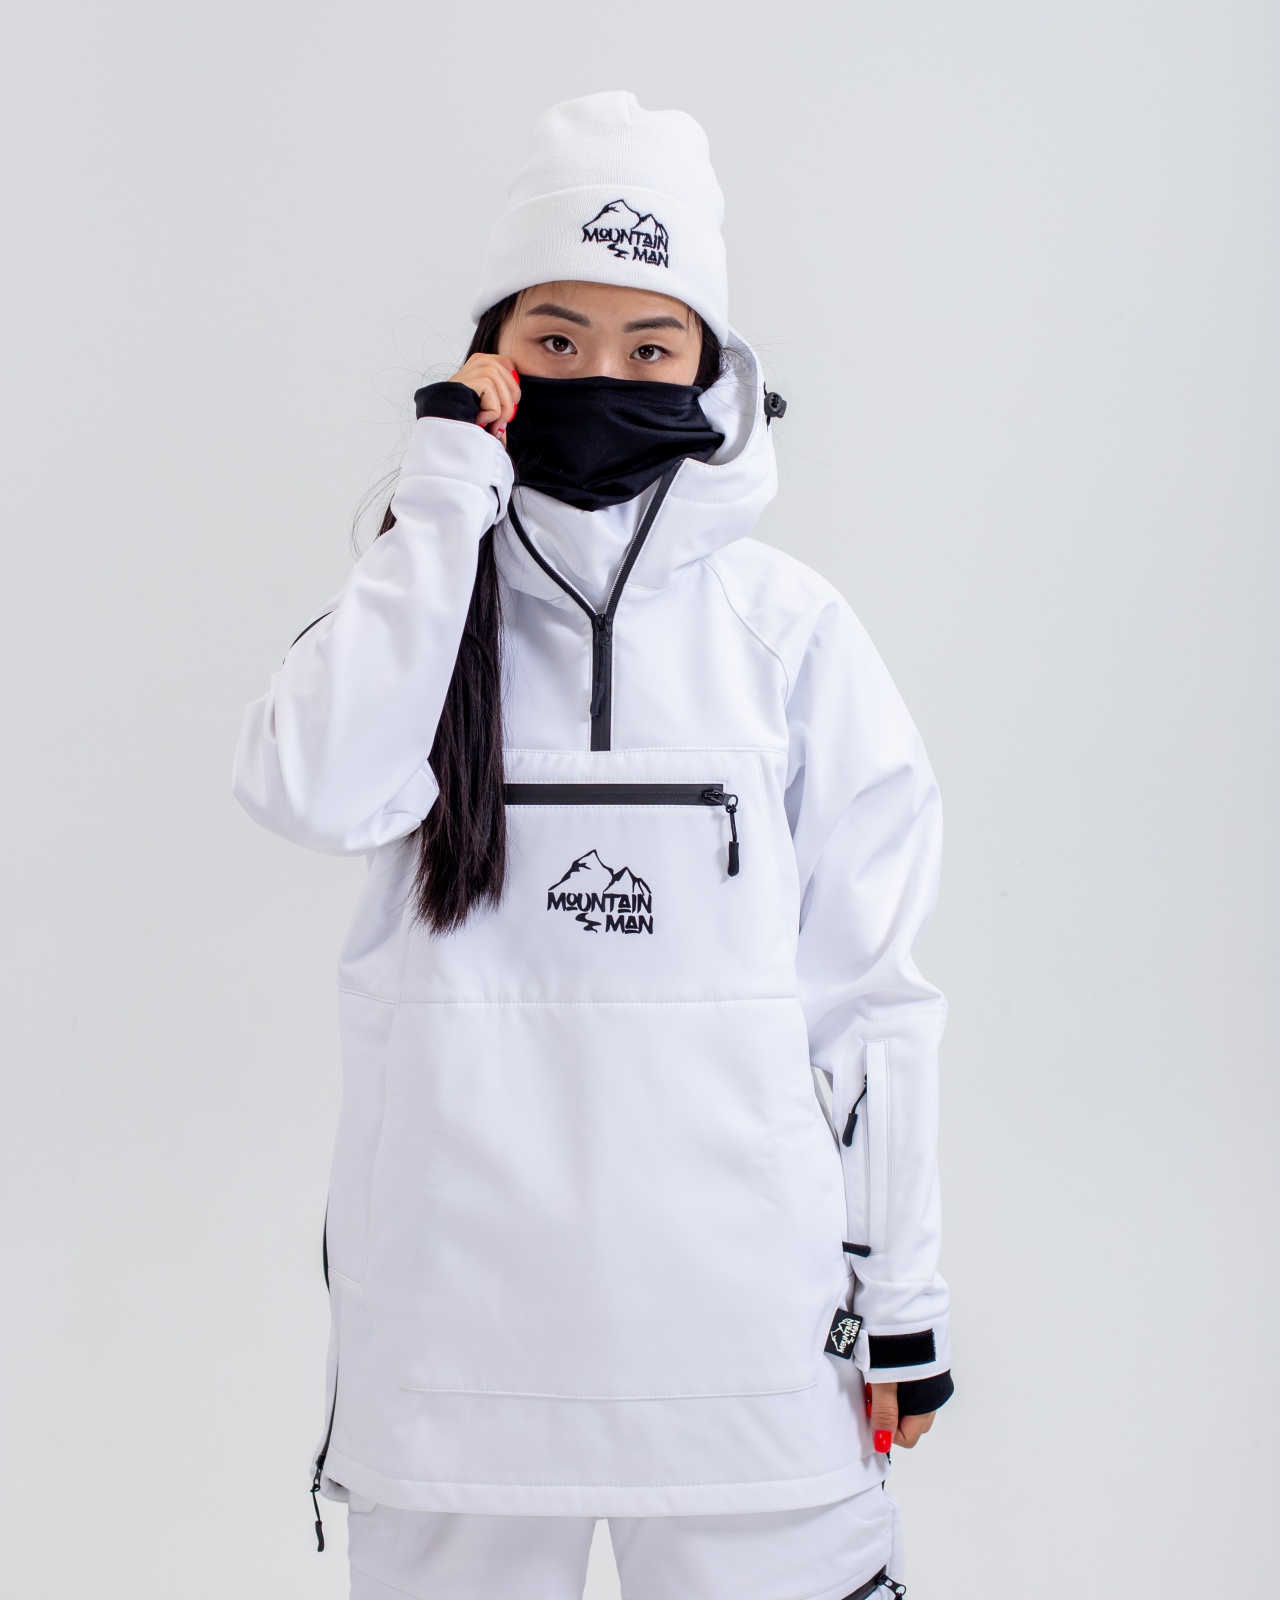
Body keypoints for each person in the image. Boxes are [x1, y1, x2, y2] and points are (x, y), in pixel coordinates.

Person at [234, 90, 952, 1600]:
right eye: (556, 341)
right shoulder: (418, 611)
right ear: (491, 357)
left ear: (711, 370)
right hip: (455, 1362)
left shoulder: (789, 634)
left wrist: (902, 1296)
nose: (603, 377)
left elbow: (872, 1002)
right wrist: (442, 497)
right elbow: (310, 791)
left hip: (752, 1363)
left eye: (649, 347)